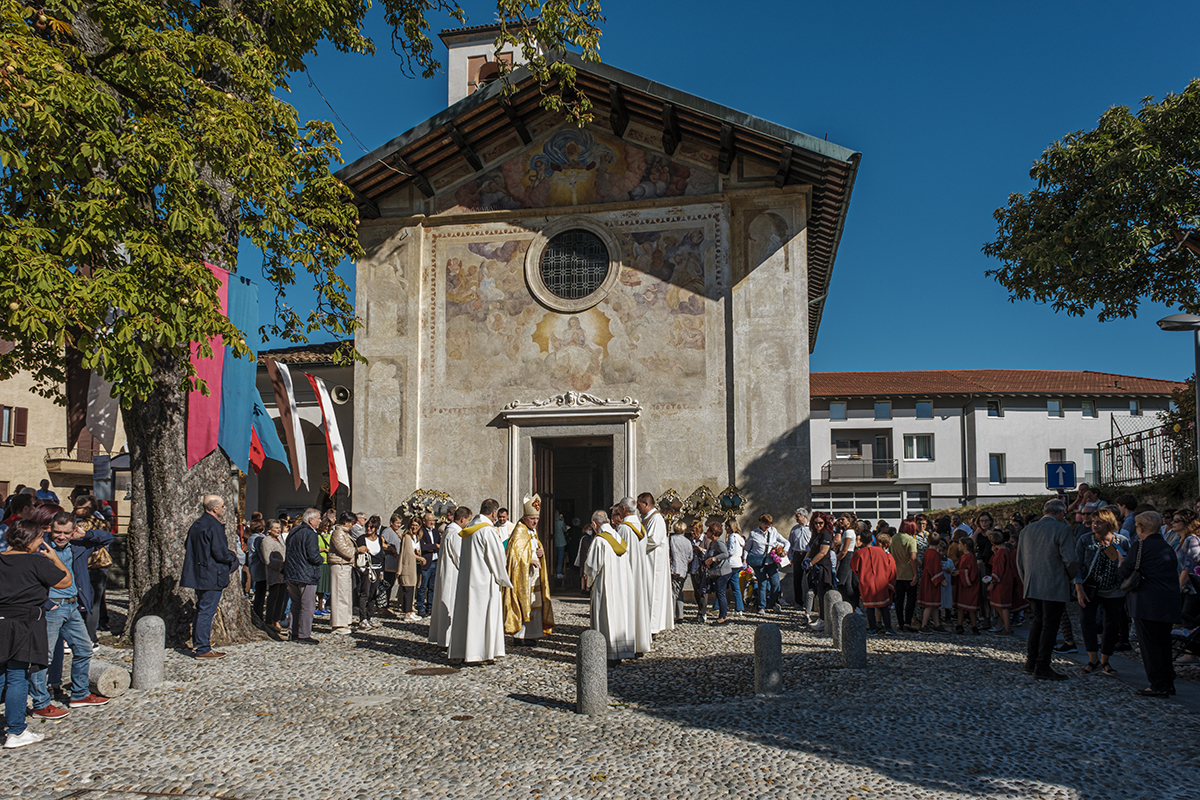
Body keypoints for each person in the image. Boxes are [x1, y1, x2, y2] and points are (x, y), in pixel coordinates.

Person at [0, 520, 72, 748]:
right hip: (26, 622)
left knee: (2, 674)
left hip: (1, 620)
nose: (43, 542)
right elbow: (66, 581)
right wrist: (54, 558)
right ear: (31, 539)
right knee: (18, 675)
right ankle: (16, 731)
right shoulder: (35, 561)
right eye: (40, 538)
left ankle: (14, 727)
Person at [1118, 510, 1183, 697]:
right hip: (1168, 600)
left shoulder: (1140, 546)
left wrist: (1121, 562)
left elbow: (1124, 572)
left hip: (1146, 602)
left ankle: (1157, 684)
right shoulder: (1166, 546)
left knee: (1149, 645)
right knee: (1164, 643)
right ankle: (1167, 681)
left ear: (1140, 528)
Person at [1015, 499, 1078, 680]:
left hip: (1032, 584)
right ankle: (1042, 665)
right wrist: (1069, 577)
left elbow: (1020, 561)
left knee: (1038, 622)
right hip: (1054, 584)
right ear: (1060, 513)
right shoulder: (1062, 529)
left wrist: (1026, 580)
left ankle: (1031, 662)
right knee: (1050, 625)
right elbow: (1070, 560)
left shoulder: (1027, 530)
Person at [448, 499, 513, 664]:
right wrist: (504, 578)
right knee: (483, 618)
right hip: (484, 582)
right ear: (493, 513)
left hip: (467, 580)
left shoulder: (469, 528)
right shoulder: (487, 531)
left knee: (469, 616)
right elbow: (497, 558)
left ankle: (466, 651)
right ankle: (481, 653)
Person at [179, 495, 237, 659]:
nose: (224, 509)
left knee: (201, 609)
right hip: (213, 573)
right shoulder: (214, 525)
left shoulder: (197, 524)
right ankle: (203, 648)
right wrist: (231, 556)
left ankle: (201, 642)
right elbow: (219, 552)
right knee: (207, 610)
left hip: (199, 572)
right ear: (215, 508)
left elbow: (188, 545)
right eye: (223, 506)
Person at [1072, 509, 1127, 675]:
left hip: (1114, 589)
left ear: (1108, 524)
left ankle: (1105, 661)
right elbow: (1078, 565)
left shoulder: (1121, 541)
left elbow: (1127, 566)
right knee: (1086, 622)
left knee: (1111, 625)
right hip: (1090, 587)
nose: (1094, 525)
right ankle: (1092, 659)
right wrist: (1079, 589)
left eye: (1099, 522)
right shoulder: (1085, 540)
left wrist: (1121, 561)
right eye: (1093, 521)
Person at [583, 510, 634, 663]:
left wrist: (588, 580)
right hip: (622, 585)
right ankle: (621, 652)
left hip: (605, 586)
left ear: (594, 524)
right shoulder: (618, 538)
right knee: (619, 616)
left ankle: (607, 654)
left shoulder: (600, 540)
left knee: (605, 616)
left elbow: (592, 566)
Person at [502, 494, 554, 645]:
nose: (535, 522)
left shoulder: (532, 532)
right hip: (523, 577)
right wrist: (528, 560)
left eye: (537, 519)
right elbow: (512, 557)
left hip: (534, 574)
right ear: (524, 518)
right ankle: (519, 636)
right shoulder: (519, 531)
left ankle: (532, 634)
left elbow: (535, 548)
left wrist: (541, 554)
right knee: (523, 602)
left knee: (535, 604)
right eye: (532, 519)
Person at [615, 497, 652, 654]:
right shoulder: (641, 527)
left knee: (629, 609)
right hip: (640, 572)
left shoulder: (624, 529)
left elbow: (618, 553)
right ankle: (640, 643)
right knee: (639, 607)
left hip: (628, 573)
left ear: (623, 509)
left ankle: (628, 645)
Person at [430, 506, 470, 648]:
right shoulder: (455, 533)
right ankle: (448, 640)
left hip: (448, 572)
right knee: (451, 605)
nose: (468, 524)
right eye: (468, 520)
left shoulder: (449, 530)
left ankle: (444, 639)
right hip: (453, 575)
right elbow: (459, 556)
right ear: (462, 519)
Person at [283, 508, 324, 644]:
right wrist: (321, 559)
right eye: (318, 518)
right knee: (308, 605)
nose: (320, 521)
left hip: (292, 572)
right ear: (311, 520)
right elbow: (313, 555)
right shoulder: (310, 533)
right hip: (306, 574)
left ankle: (293, 631)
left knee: (296, 604)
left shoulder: (293, 531)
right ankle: (304, 634)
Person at [638, 493, 673, 635]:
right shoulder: (647, 518)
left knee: (653, 594)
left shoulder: (656, 518)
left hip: (653, 564)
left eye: (639, 505)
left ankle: (652, 627)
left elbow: (654, 540)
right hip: (646, 562)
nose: (638, 509)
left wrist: (635, 545)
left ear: (646, 504)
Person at [851, 532, 896, 634]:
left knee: (869, 607)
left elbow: (855, 568)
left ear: (861, 540)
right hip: (881, 581)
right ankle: (888, 628)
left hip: (866, 581)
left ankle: (873, 628)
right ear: (872, 540)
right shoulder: (881, 552)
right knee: (883, 605)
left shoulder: (858, 553)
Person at [986, 530, 1026, 636]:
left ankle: (1007, 628)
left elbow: (998, 570)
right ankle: (1006, 627)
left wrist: (992, 583)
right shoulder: (1006, 550)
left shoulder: (1001, 553)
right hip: (1007, 581)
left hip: (1001, 583)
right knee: (1002, 606)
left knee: (1003, 607)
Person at [745, 514, 787, 614]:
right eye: (766, 524)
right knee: (762, 584)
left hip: (771, 562)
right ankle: (761, 607)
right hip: (759, 563)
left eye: (769, 524)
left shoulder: (773, 532)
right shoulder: (754, 534)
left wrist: (784, 551)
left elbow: (786, 542)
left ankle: (772, 603)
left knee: (775, 583)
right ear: (761, 522)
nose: (768, 526)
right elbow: (747, 549)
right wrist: (744, 560)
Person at [806, 513, 836, 631]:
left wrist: (811, 563)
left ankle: (824, 619)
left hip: (823, 566)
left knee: (824, 593)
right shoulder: (815, 534)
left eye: (820, 523)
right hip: (815, 567)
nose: (818, 525)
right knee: (818, 593)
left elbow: (823, 552)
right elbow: (811, 549)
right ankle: (821, 617)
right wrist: (805, 561)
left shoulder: (826, 534)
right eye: (816, 523)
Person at [354, 516, 384, 630]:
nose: (369, 529)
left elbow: (381, 556)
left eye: (372, 527)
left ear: (376, 528)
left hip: (377, 568)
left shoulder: (379, 539)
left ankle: (370, 615)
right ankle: (362, 618)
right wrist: (362, 569)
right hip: (366, 569)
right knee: (364, 593)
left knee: (373, 594)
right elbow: (359, 555)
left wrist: (381, 571)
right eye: (367, 526)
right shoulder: (361, 538)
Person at [889, 520, 919, 632]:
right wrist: (915, 574)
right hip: (909, 573)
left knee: (898, 600)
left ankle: (900, 622)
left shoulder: (893, 538)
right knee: (910, 599)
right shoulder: (911, 540)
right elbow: (913, 558)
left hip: (897, 573)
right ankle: (907, 622)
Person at [701, 521, 732, 625]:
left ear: (713, 532)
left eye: (708, 531)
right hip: (716, 571)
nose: (706, 533)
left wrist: (713, 559)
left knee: (721, 593)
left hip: (723, 572)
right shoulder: (711, 543)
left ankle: (723, 616)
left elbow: (725, 554)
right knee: (718, 593)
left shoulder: (719, 542)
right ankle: (722, 615)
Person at [916, 531, 947, 634]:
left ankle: (937, 624)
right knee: (930, 604)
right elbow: (936, 569)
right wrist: (942, 580)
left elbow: (924, 565)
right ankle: (924, 625)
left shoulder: (927, 552)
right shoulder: (935, 554)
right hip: (932, 581)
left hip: (927, 579)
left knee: (934, 604)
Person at [260, 520, 287, 634]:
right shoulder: (266, 541)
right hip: (274, 573)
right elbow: (267, 559)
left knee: (281, 598)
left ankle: (277, 619)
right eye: (275, 528)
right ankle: (269, 620)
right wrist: (280, 564)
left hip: (283, 574)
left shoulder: (280, 539)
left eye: (279, 527)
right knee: (273, 598)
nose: (278, 530)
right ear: (269, 529)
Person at [952, 538, 981, 635]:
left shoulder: (970, 557)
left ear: (965, 545)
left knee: (971, 607)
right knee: (960, 606)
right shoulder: (963, 556)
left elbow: (972, 572)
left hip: (968, 585)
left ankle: (974, 626)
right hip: (961, 585)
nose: (958, 546)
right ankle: (959, 625)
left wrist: (959, 572)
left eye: (960, 544)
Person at [398, 517, 423, 620]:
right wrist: (419, 557)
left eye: (416, 526)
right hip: (408, 565)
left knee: (412, 588)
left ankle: (410, 610)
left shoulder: (416, 537)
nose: (414, 527)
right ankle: (407, 613)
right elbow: (408, 553)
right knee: (407, 588)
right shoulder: (407, 537)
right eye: (413, 525)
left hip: (415, 565)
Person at [416, 511, 440, 618]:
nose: (432, 522)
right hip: (426, 563)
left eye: (433, 520)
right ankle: (420, 607)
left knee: (432, 587)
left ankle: (430, 607)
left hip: (435, 561)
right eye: (430, 520)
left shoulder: (435, 532)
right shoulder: (421, 532)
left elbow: (441, 544)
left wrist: (431, 546)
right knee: (422, 586)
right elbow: (423, 547)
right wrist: (435, 546)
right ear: (424, 521)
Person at [789, 508, 812, 615]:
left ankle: (810, 603)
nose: (796, 519)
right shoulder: (794, 529)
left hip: (808, 556)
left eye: (798, 516)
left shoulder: (811, 529)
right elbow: (790, 544)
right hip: (797, 555)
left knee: (810, 579)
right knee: (797, 580)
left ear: (804, 516)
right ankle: (798, 602)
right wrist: (790, 557)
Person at [668, 520, 692, 623]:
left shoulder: (671, 539)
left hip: (674, 568)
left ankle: (672, 614)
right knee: (679, 591)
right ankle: (680, 614)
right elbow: (690, 556)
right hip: (683, 569)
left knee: (673, 592)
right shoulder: (687, 541)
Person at [723, 519, 747, 616]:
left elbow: (731, 551)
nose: (725, 528)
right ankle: (739, 608)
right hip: (738, 564)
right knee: (736, 587)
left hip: (731, 563)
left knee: (722, 585)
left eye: (726, 526)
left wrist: (724, 554)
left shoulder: (732, 537)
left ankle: (717, 606)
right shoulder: (740, 538)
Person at [246, 519, 267, 621]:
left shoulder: (251, 538)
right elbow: (262, 554)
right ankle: (258, 613)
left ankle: (257, 611)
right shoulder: (259, 539)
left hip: (254, 566)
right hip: (260, 568)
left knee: (259, 590)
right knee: (260, 591)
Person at [553, 512, 567, 578]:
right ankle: (558, 572)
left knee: (554, 557)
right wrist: (563, 520)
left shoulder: (553, 523)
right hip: (561, 542)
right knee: (560, 558)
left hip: (554, 542)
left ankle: (553, 572)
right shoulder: (561, 523)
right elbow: (565, 529)